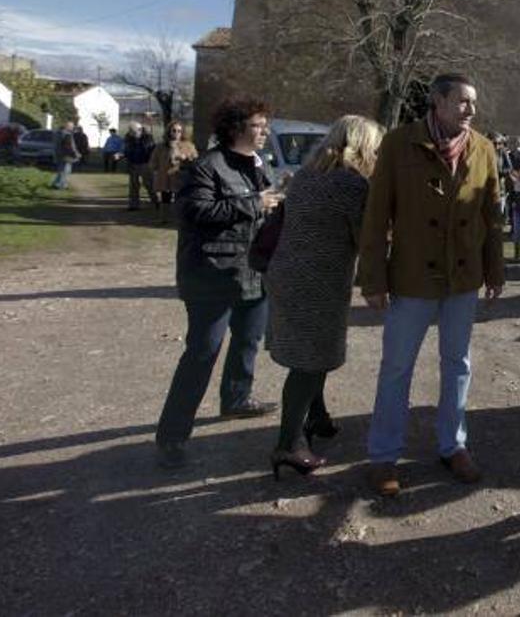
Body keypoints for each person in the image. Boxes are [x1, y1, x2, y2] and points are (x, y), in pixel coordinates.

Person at [359, 74, 504, 497]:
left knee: (457, 364)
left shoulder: (484, 149)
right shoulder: (398, 143)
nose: (471, 110)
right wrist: (373, 277)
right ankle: (384, 456)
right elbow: (376, 215)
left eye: (473, 102)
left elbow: (491, 218)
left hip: (462, 280)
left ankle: (453, 446)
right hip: (412, 279)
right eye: (463, 102)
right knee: (396, 368)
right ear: (438, 102)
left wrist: (494, 271)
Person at [155, 97, 281, 469]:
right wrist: (254, 204)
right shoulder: (206, 166)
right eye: (258, 125)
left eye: (264, 125)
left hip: (253, 272)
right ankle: (172, 437)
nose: (264, 132)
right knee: (201, 354)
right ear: (235, 128)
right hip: (211, 275)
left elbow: (262, 208)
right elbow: (195, 212)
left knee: (248, 341)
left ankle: (236, 400)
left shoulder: (259, 165)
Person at [265, 115, 384, 479]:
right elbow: (366, 237)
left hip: (287, 274)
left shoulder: (307, 174)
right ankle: (288, 443)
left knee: (311, 354)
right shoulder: (352, 184)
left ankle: (316, 416)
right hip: (317, 282)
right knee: (309, 362)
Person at [149, 121, 200, 223]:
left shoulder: (188, 145)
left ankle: (181, 219)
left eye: (179, 131)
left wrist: (186, 157)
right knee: (165, 199)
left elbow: (196, 160)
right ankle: (164, 219)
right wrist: (156, 169)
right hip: (166, 177)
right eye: (174, 130)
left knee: (180, 199)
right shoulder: (161, 146)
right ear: (169, 131)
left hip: (181, 177)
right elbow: (153, 161)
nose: (177, 133)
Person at [124, 124, 155, 211]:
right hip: (133, 163)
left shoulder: (148, 138)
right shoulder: (129, 139)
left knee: (149, 184)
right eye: (131, 131)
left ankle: (156, 201)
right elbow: (127, 151)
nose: (132, 133)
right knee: (133, 185)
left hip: (145, 163)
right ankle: (133, 205)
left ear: (140, 129)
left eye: (134, 131)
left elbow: (150, 150)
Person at [50, 120, 81, 190]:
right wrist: (75, 154)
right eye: (72, 127)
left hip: (58, 154)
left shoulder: (58, 133)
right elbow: (69, 146)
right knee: (65, 171)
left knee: (60, 170)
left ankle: (56, 183)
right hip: (66, 155)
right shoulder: (67, 134)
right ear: (68, 127)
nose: (73, 128)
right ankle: (62, 185)